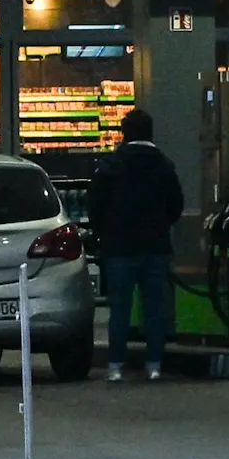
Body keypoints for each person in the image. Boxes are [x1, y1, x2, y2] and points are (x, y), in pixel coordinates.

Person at [86, 107, 184, 382]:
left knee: (120, 308)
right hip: (155, 246)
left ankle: (116, 365)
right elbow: (176, 205)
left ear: (124, 134)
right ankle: (154, 364)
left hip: (119, 248)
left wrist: (105, 232)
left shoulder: (110, 166)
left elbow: (95, 205)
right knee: (155, 308)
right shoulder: (164, 166)